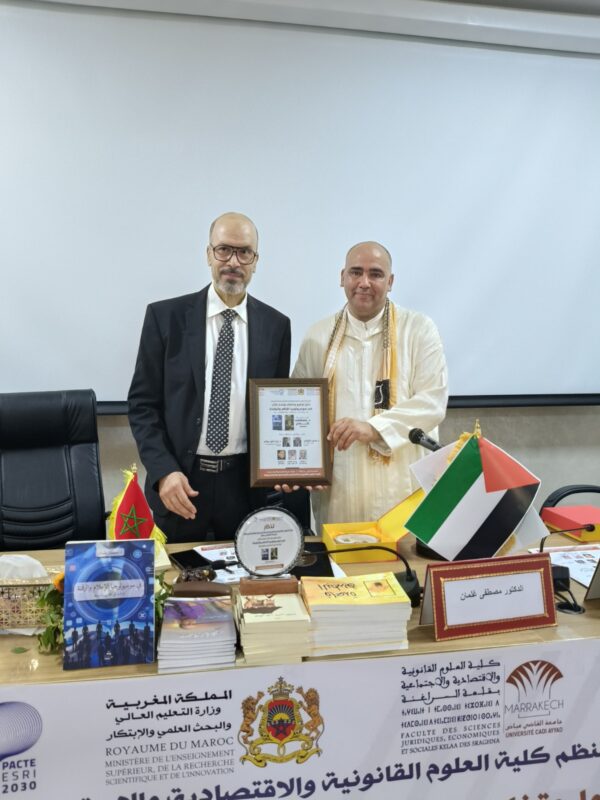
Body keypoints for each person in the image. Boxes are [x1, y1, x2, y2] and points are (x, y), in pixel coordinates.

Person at [128, 212, 291, 541]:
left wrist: (285, 465)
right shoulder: (165, 317)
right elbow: (143, 405)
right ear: (208, 254)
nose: (233, 261)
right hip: (181, 485)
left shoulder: (277, 326)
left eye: (244, 252)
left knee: (244, 574)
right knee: (176, 573)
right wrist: (164, 471)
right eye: (224, 250)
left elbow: (275, 410)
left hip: (244, 490)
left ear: (256, 261)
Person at [292, 241, 448, 532]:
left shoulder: (418, 330)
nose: (364, 282)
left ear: (390, 282)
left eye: (375, 274)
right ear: (342, 277)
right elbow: (298, 408)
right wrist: (292, 466)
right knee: (341, 558)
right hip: (339, 492)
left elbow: (432, 402)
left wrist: (374, 428)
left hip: (400, 489)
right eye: (356, 272)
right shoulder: (318, 336)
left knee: (401, 558)